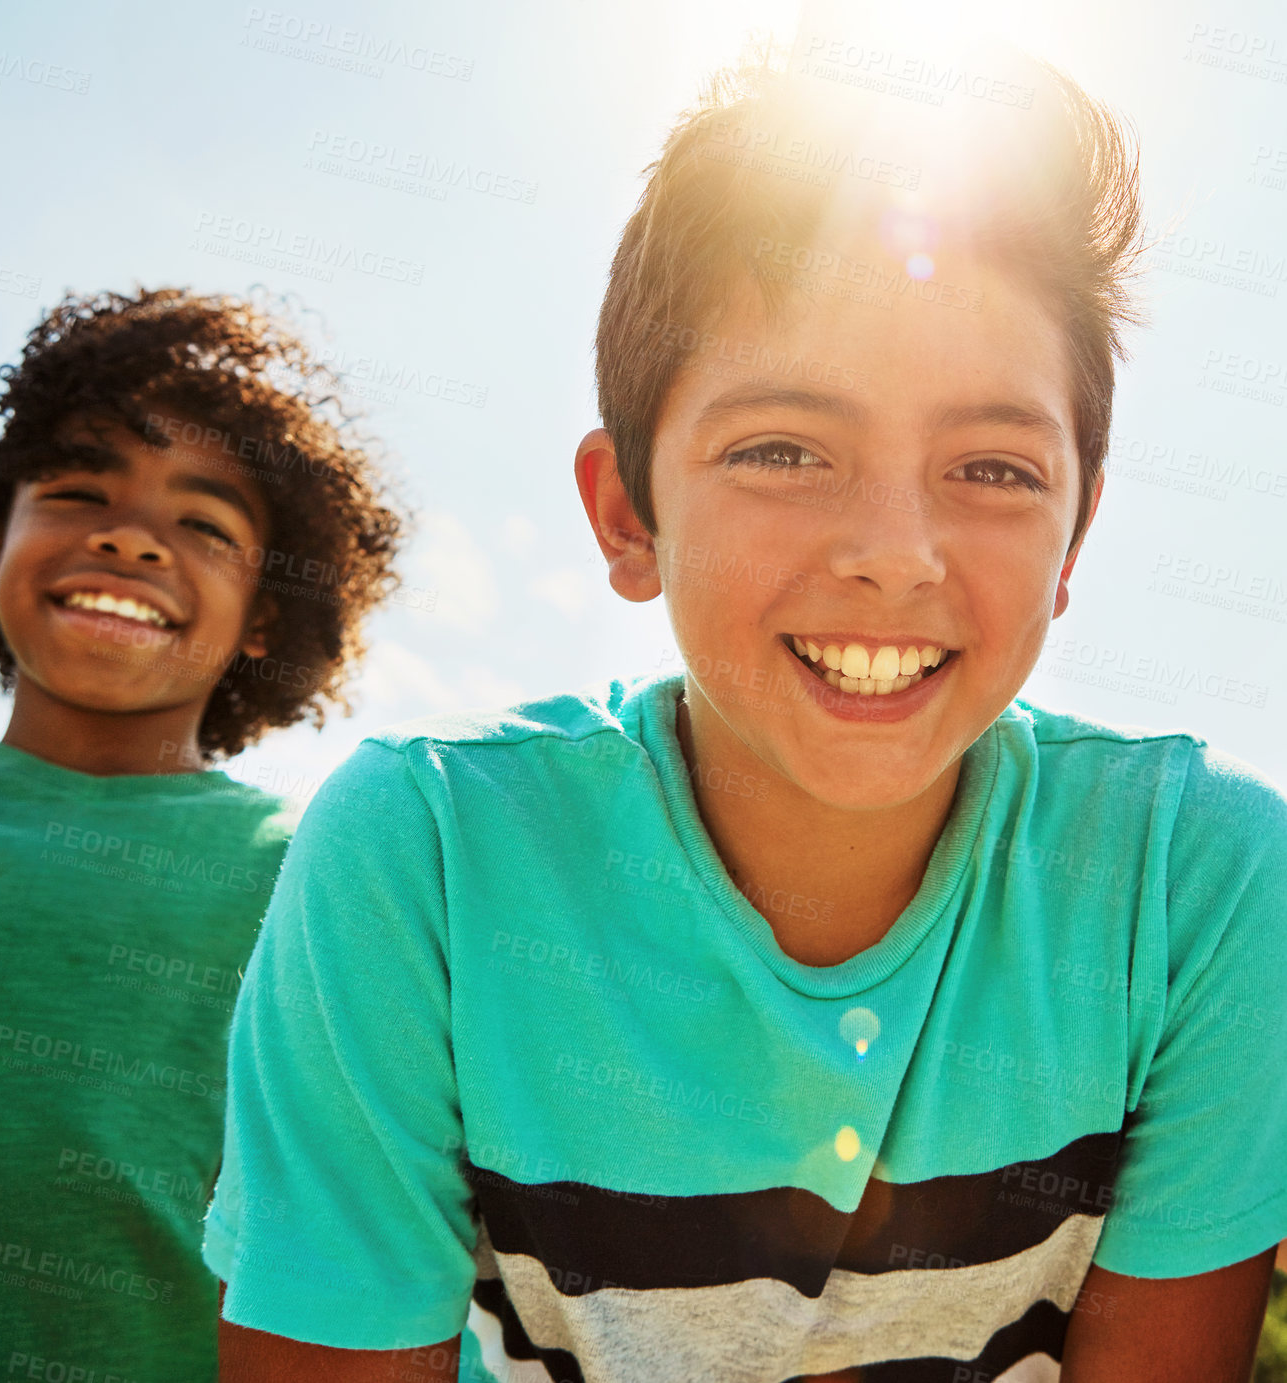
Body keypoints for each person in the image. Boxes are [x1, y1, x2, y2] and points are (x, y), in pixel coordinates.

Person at [206, 47, 1287, 1383]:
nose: (895, 553)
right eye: (783, 448)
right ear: (626, 511)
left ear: (1077, 533)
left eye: (993, 467)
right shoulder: (425, 850)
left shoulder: (1198, 880)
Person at [0, 287, 404, 1380]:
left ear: (266, 620)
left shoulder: (335, 880)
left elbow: (410, 1236)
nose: (129, 536)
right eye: (77, 489)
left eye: (204, 523)